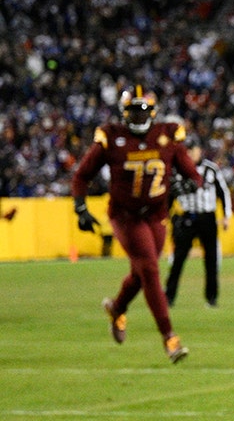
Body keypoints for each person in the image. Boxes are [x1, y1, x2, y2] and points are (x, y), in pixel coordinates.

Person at [71, 84, 202, 363]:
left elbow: (194, 176)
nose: (139, 117)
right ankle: (169, 337)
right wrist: (80, 206)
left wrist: (184, 185)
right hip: (125, 215)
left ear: (153, 112)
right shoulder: (111, 137)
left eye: (143, 111)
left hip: (156, 214)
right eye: (133, 111)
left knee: (141, 272)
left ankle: (117, 308)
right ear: (123, 112)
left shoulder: (167, 136)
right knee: (151, 270)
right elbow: (82, 175)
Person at [165, 140, 232, 308]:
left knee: (211, 259)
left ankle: (211, 298)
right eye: (187, 151)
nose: (190, 154)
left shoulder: (211, 169)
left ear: (199, 150)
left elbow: (223, 191)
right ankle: (168, 297)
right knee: (178, 259)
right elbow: (170, 194)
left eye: (193, 150)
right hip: (186, 217)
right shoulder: (177, 169)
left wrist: (226, 215)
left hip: (207, 217)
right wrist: (164, 216)